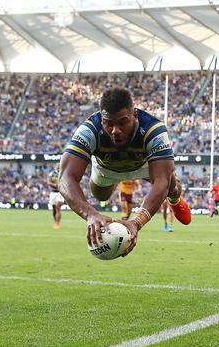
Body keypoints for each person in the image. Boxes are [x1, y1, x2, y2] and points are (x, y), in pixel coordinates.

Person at [59, 87, 192, 257]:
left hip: (143, 165)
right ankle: (113, 181)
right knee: (101, 195)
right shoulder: (88, 130)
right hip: (106, 168)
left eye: (122, 122)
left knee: (170, 186)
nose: (115, 130)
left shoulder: (154, 129)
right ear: (101, 120)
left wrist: (136, 222)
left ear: (134, 116)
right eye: (109, 123)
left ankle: (175, 200)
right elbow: (65, 177)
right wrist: (91, 215)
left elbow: (161, 182)